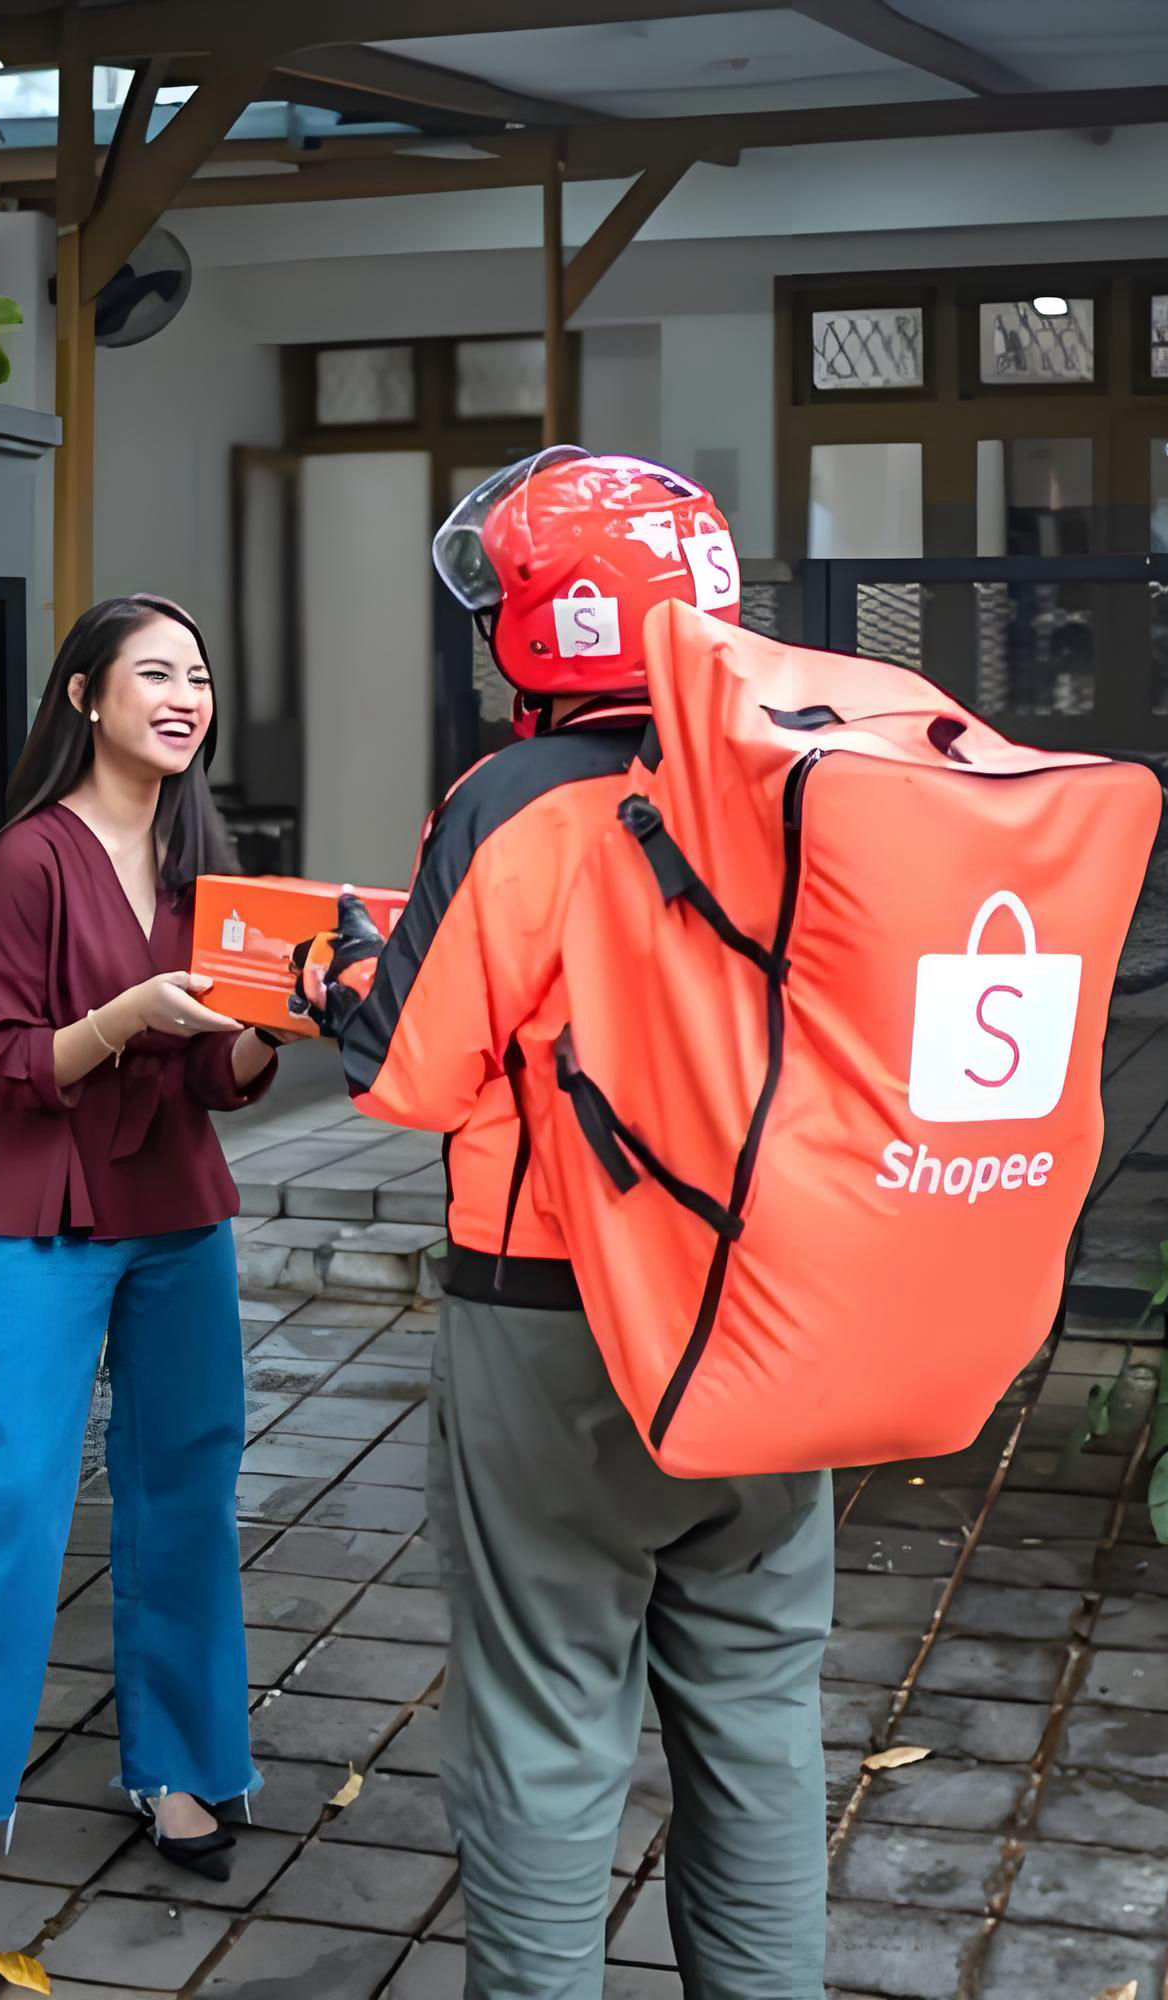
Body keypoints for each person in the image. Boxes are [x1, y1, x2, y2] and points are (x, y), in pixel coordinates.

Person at [301, 452, 835, 1998]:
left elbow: (413, 1076)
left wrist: (353, 975)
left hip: (555, 1321)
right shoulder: (810, 773)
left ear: (544, 632)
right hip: (778, 1319)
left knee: (544, 1726)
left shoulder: (511, 803)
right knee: (756, 1722)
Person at [0, 593, 281, 1888]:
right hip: (47, 1201)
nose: (182, 695)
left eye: (199, 676)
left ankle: (178, 1762)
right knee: (16, 1485)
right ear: (85, 699)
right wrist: (131, 1012)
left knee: (186, 1487)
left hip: (178, 1208)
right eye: (153, 673)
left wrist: (279, 1023)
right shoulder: (29, 861)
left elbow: (220, 1078)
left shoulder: (208, 860)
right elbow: (8, 1061)